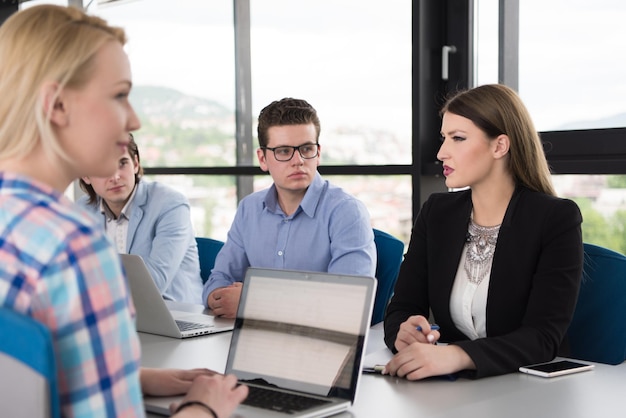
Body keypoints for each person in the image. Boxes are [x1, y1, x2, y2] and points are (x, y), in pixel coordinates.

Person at [0, 5, 246, 417]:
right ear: (57, 105)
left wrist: (130, 374)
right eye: (119, 95)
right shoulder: (73, 248)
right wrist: (205, 408)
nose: (134, 119)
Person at [383, 84, 583, 380]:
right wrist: (403, 332)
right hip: (452, 390)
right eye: (443, 138)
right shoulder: (437, 213)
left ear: (499, 146)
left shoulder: (555, 219)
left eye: (458, 139)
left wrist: (457, 356)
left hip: (529, 388)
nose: (441, 153)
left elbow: (543, 337)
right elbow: (401, 307)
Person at [203, 98, 377, 318]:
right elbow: (218, 280)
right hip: (253, 337)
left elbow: (348, 303)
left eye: (306, 149)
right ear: (262, 159)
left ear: (318, 153)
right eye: (284, 151)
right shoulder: (250, 209)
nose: (298, 160)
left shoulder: (346, 212)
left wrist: (254, 302)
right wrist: (219, 298)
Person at [78, 133, 203, 304]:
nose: (115, 177)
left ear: (135, 164)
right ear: (86, 176)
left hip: (174, 318)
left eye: (122, 164)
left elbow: (153, 284)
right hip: (114, 318)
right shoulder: (80, 212)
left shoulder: (169, 205)